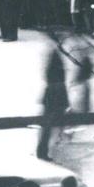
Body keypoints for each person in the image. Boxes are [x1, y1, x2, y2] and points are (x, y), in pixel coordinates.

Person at [36, 32, 69, 160]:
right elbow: (50, 75)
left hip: (54, 91)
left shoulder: (54, 52)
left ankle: (46, 149)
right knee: (49, 124)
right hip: (56, 92)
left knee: (50, 124)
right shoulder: (54, 54)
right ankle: (44, 150)